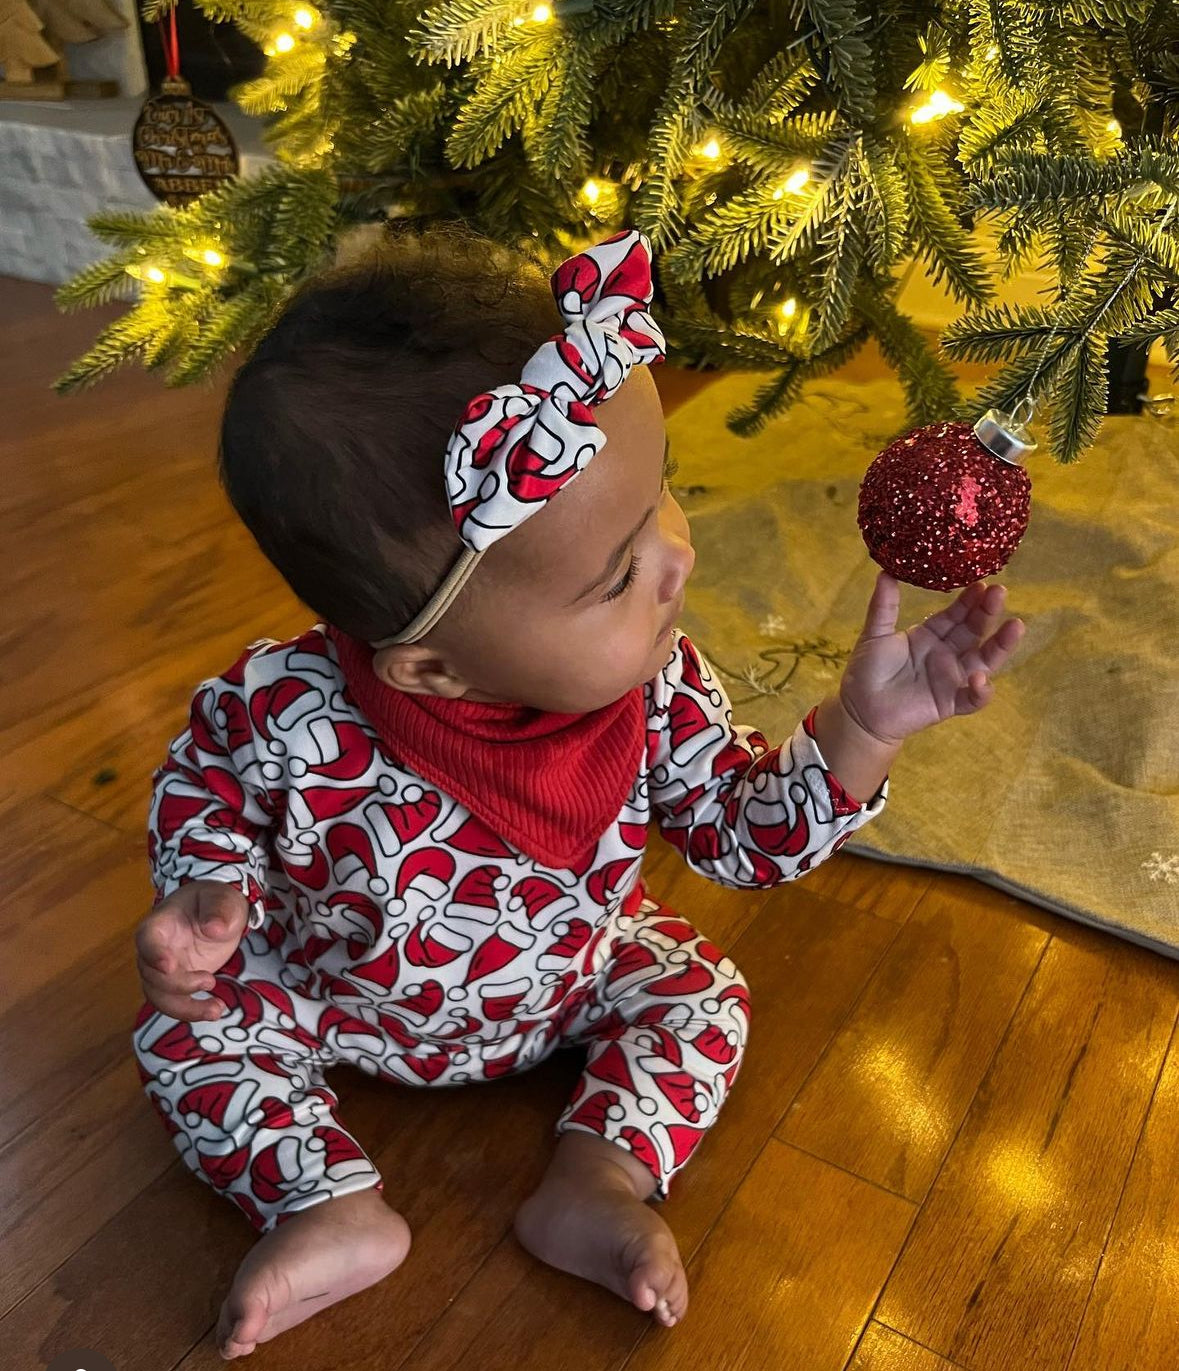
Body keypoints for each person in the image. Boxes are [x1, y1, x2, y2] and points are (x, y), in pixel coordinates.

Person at [132, 227, 1024, 1360]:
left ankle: (597, 1180)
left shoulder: (657, 694)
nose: (676, 560)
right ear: (433, 668)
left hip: (571, 978)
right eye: (617, 574)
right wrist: (202, 896)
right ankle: (322, 1204)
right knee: (187, 1038)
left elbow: (742, 837)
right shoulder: (286, 710)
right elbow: (200, 783)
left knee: (703, 992)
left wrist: (862, 729)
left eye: (662, 498)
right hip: (328, 994)